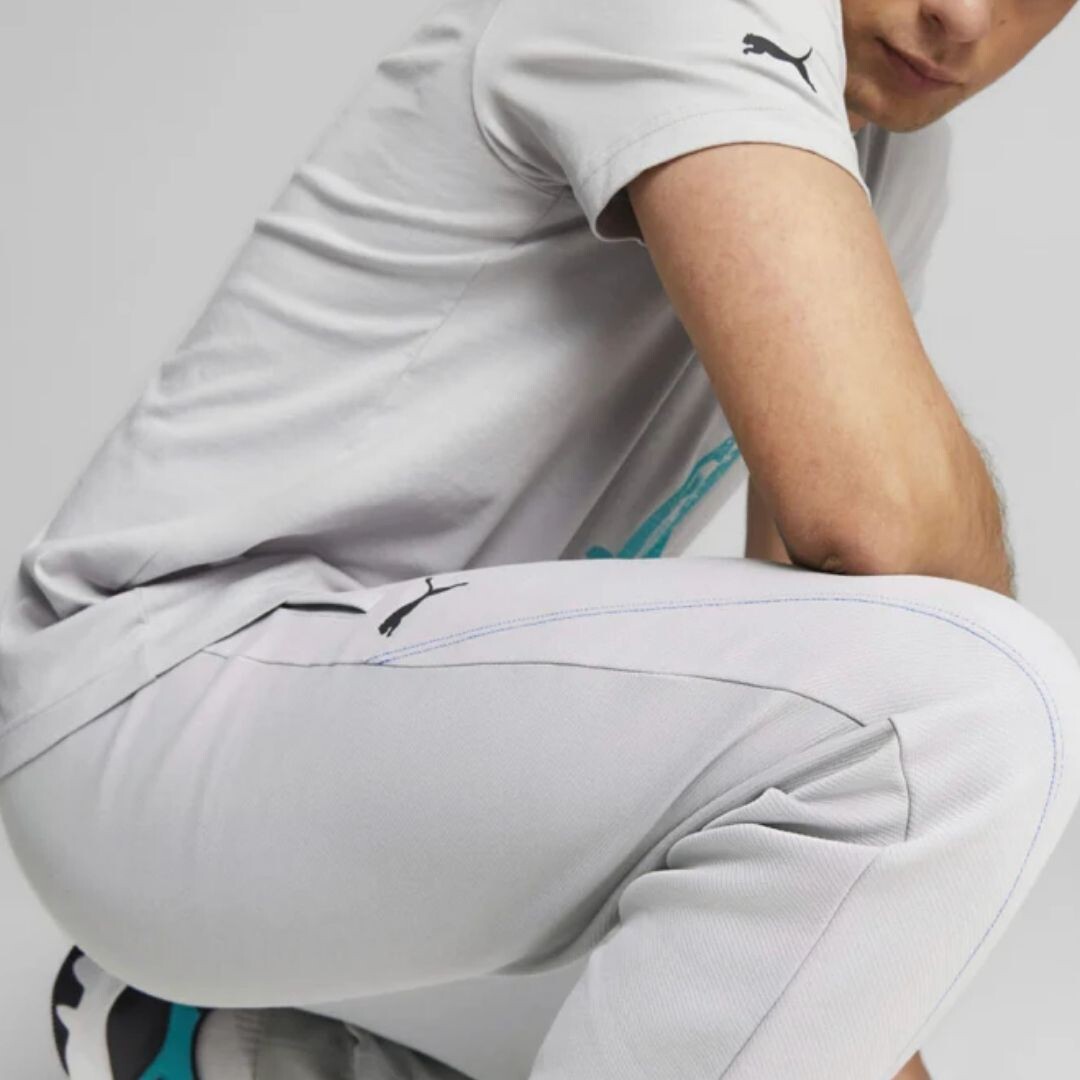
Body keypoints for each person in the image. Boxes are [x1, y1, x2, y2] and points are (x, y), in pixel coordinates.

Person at [1, 0, 1078, 1077]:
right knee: (973, 706)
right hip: (166, 710)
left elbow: (823, 639)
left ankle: (241, 1033)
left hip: (374, 781)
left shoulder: (890, 156)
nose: (961, 13)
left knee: (819, 963)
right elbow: (878, 526)